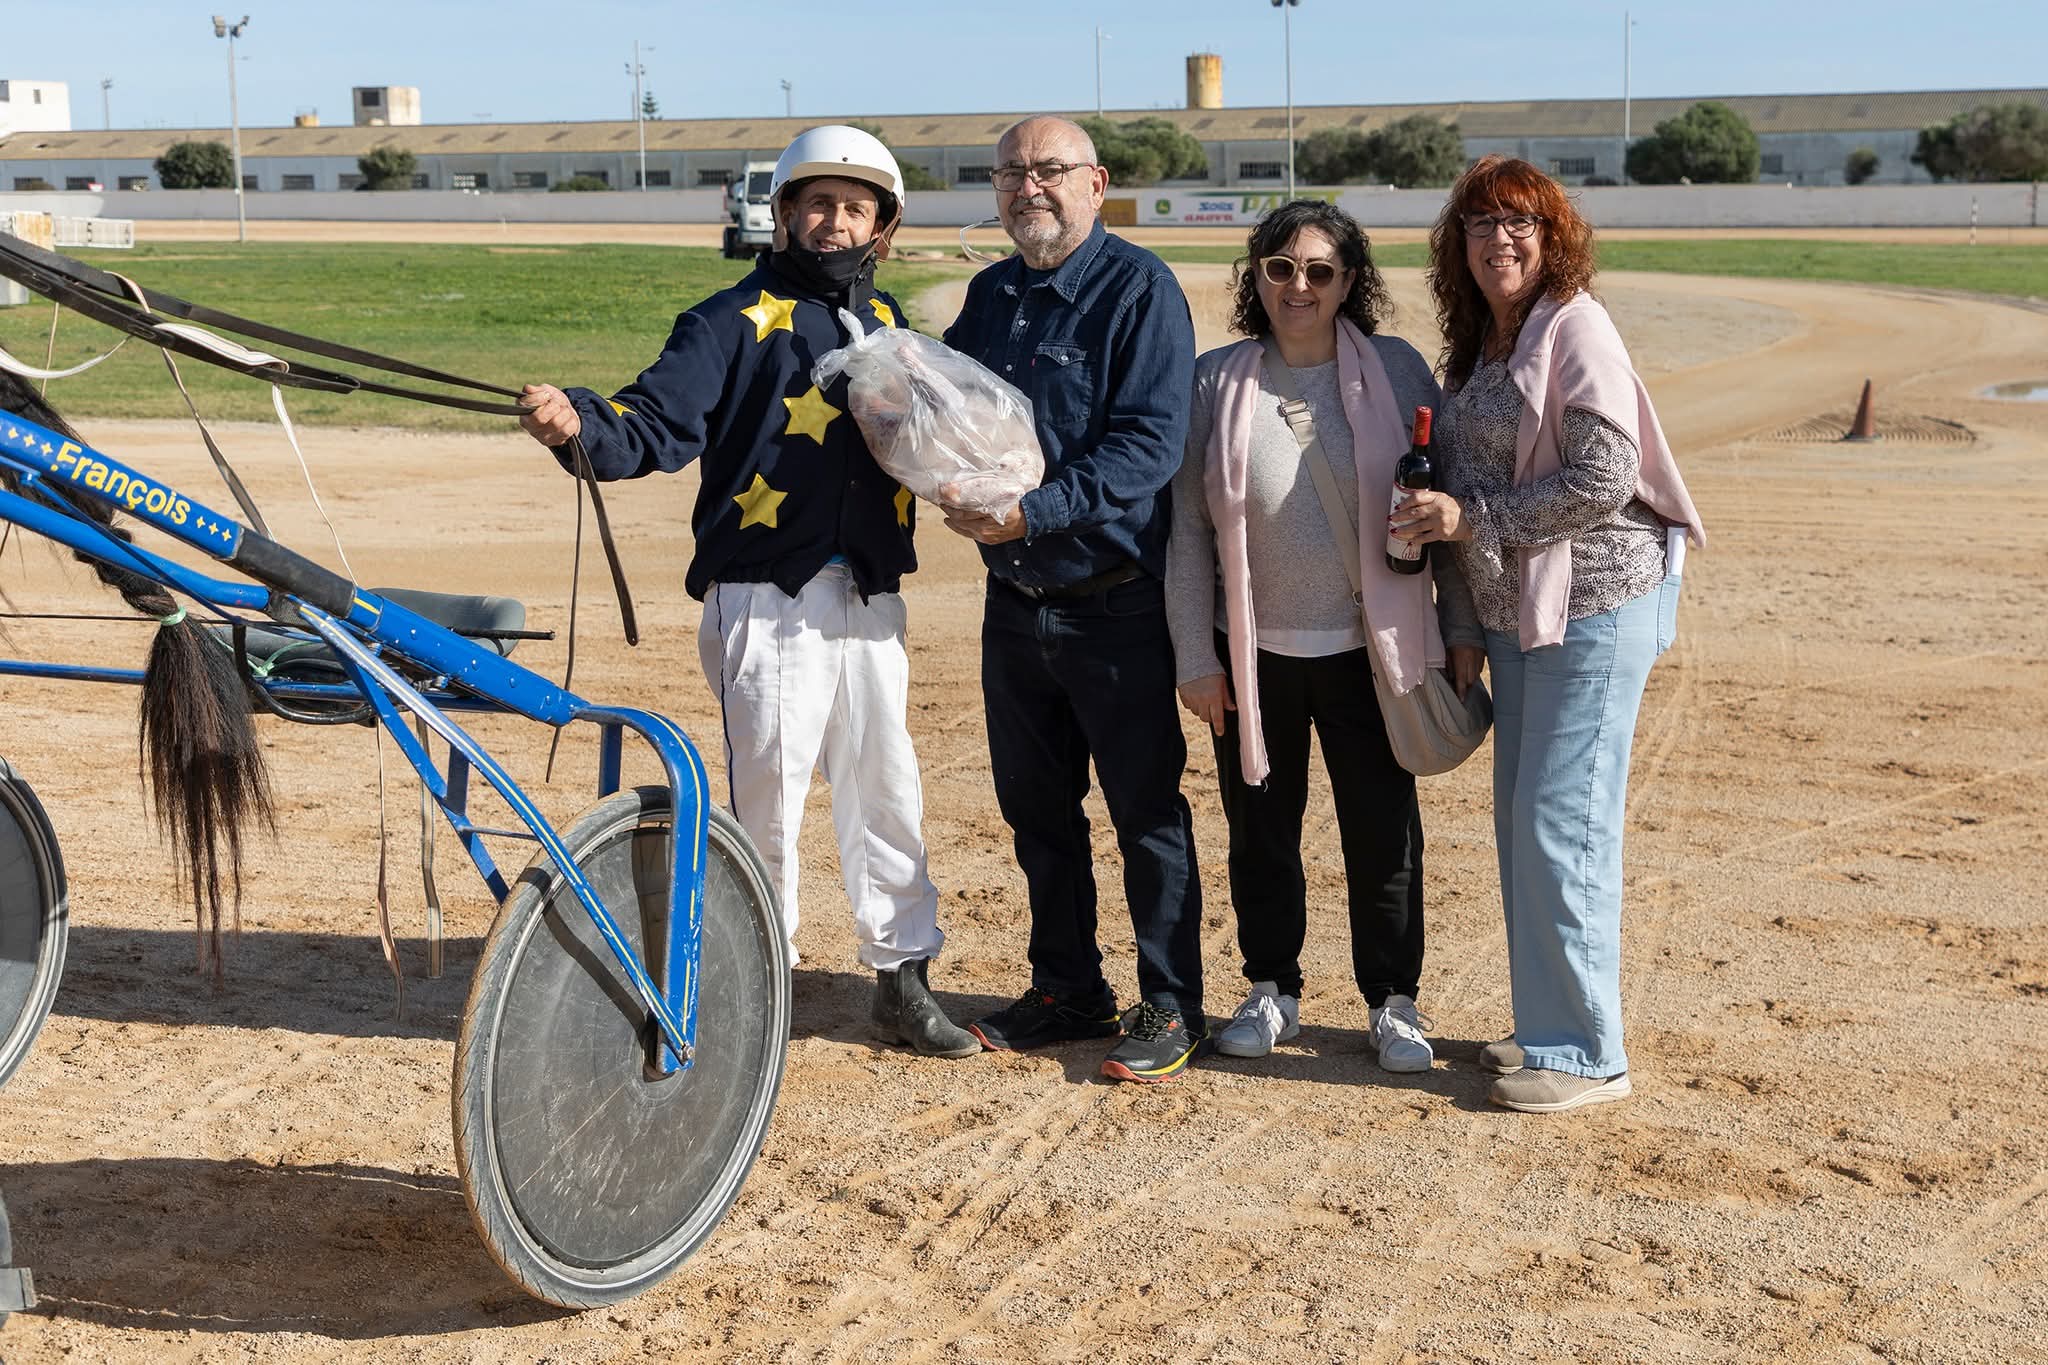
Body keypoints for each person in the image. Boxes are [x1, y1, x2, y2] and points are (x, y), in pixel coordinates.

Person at [516, 125, 978, 1060]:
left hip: (872, 598)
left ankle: (902, 980)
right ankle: (757, 990)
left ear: (882, 226)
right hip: (766, 601)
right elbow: (651, 423)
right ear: (784, 215)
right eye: (817, 203)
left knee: (887, 789)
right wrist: (576, 422)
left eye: (855, 207)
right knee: (767, 804)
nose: (834, 221)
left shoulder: (891, 331)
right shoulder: (725, 319)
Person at [1394, 155, 1704, 1113]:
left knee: (1559, 823)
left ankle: (1584, 1054)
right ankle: (1546, 1023)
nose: (1501, 240)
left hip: (1596, 606)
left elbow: (1603, 478)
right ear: (1459, 247)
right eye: (1481, 226)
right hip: (1519, 614)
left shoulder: (1577, 327)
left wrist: (1468, 520)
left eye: (1520, 222)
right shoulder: (1486, 342)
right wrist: (1467, 618)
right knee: (1520, 826)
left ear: (1553, 233)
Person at [939, 116, 1204, 1084]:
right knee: (1035, 811)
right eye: (1010, 173)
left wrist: (1030, 513)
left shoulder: (1139, 290)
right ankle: (1066, 991)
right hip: (1014, 603)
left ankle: (1169, 1004)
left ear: (1095, 184)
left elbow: (1147, 447)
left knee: (1144, 813)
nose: (1028, 189)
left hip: (1112, 603)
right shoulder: (990, 293)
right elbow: (950, 412)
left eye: (1048, 171)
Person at [1165, 200, 1449, 1074]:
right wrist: (1197, 658)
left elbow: (1441, 504)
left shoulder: (1399, 371)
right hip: (1255, 657)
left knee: (1383, 832)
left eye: (1321, 271)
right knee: (1260, 831)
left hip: (1372, 652)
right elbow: (1187, 533)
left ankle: (1392, 1000)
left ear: (1350, 282)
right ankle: (1271, 987)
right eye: (1281, 268)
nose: (1300, 286)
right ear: (1255, 276)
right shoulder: (1218, 380)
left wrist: (1463, 631)